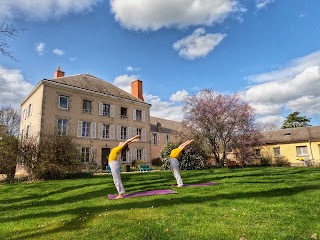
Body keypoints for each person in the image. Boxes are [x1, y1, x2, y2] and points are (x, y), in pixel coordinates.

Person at [108, 134, 141, 199]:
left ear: (122, 145)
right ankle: (121, 193)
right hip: (112, 163)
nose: (122, 142)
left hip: (113, 163)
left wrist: (135, 137)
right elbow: (127, 143)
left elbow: (127, 142)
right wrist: (133, 141)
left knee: (116, 179)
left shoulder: (120, 148)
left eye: (123, 142)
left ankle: (121, 194)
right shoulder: (119, 148)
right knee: (116, 179)